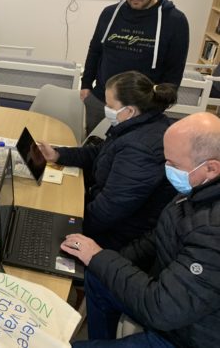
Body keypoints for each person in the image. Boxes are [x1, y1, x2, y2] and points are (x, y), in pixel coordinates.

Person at [60, 112, 220, 347]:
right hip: (169, 297)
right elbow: (159, 236)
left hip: (184, 335)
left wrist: (99, 256)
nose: (166, 169)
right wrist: (103, 259)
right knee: (97, 275)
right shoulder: (197, 189)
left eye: (174, 165)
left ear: (211, 168)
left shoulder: (213, 230)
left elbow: (162, 309)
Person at [39, 71, 177, 250]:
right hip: (107, 216)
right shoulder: (139, 124)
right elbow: (100, 152)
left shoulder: (140, 149)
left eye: (110, 105)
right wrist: (58, 155)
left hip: (118, 236)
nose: (106, 108)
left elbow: (109, 209)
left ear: (129, 110)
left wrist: (69, 228)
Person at [80, 0, 189, 134]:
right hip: (102, 104)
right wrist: (85, 85)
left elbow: (174, 72)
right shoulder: (109, 14)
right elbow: (95, 50)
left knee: (130, 152)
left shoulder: (175, 21)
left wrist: (154, 109)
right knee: (94, 147)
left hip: (142, 112)